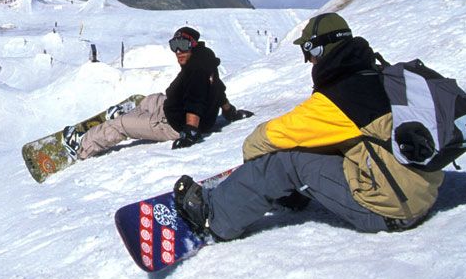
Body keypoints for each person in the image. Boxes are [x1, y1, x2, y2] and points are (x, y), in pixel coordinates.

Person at [174, 13, 444, 242]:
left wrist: (260, 165)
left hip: (390, 207)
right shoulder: (378, 76)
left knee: (285, 159)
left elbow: (261, 140)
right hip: (418, 191)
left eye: (308, 51)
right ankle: (292, 194)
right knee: (321, 144)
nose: (308, 61)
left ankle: (214, 216)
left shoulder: (340, 98)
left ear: (319, 49)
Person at [72, 27, 253, 159]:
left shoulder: (196, 71)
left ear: (193, 44)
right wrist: (230, 112)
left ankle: (82, 147)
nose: (178, 51)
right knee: (150, 99)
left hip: (172, 124)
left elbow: (195, 101)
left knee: (119, 125)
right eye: (174, 45)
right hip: (171, 106)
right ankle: (135, 114)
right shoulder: (205, 58)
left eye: (183, 45)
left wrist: (190, 131)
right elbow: (217, 88)